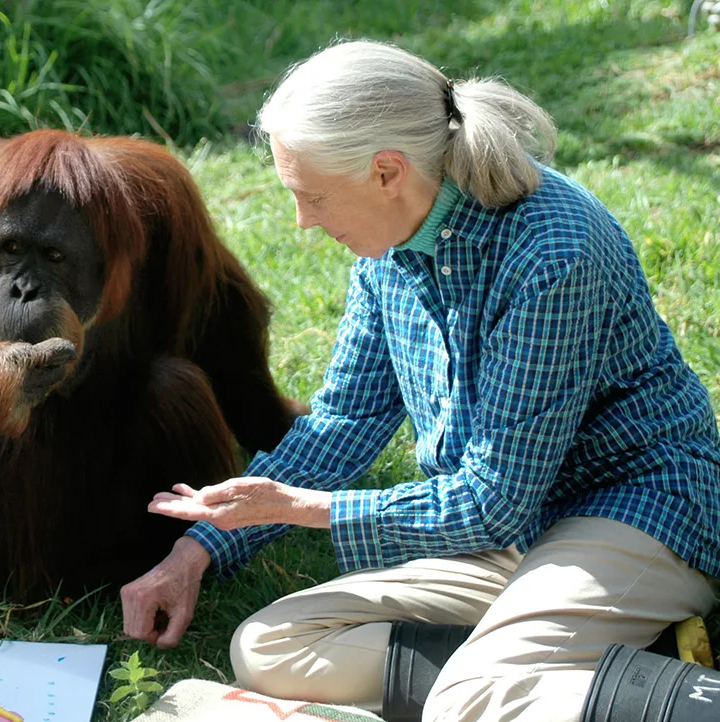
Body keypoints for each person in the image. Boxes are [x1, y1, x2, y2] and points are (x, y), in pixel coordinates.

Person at [119, 39, 720, 722]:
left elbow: (494, 500)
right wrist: (196, 553)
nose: (303, 221)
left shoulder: (555, 254)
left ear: (387, 172)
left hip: (632, 510)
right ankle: (589, 665)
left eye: (313, 195)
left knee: (465, 702)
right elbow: (344, 423)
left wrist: (304, 507)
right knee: (268, 647)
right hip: (511, 536)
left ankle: (609, 686)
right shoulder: (389, 248)